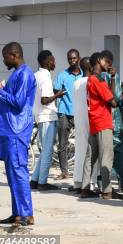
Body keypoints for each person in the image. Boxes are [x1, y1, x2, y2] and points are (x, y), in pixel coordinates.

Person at [0, 42, 37, 226]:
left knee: (18, 172)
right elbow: (12, 97)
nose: (3, 60)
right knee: (11, 174)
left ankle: (26, 214)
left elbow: (19, 102)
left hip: (17, 131)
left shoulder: (25, 73)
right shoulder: (17, 74)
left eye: (5, 56)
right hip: (10, 130)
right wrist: (0, 87)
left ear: (13, 55)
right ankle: (17, 213)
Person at [80, 52, 123, 200]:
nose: (109, 64)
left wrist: (112, 78)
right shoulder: (97, 80)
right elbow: (112, 101)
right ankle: (107, 190)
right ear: (99, 61)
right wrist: (118, 99)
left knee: (91, 156)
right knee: (107, 156)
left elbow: (108, 95)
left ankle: (85, 188)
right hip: (103, 122)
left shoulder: (94, 79)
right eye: (107, 61)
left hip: (94, 121)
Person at [31, 50, 65, 190]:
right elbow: (44, 100)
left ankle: (34, 180)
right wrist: (58, 95)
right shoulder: (45, 77)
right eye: (52, 60)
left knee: (45, 150)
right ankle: (42, 182)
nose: (54, 63)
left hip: (40, 116)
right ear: (46, 61)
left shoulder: (36, 75)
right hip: (47, 116)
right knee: (47, 151)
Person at [100, 50, 123, 190]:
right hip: (114, 119)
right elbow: (115, 98)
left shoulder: (95, 77)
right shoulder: (112, 76)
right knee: (119, 151)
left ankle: (103, 183)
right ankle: (122, 182)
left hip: (102, 118)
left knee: (104, 152)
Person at [53, 48, 82, 180]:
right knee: (62, 144)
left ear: (79, 58)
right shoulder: (62, 75)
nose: (72, 60)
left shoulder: (84, 74)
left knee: (83, 142)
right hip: (64, 112)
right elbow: (56, 91)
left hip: (79, 113)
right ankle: (64, 171)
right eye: (70, 58)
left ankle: (82, 170)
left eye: (74, 58)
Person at [72, 57, 94, 192]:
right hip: (89, 117)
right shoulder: (90, 81)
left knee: (79, 148)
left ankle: (78, 181)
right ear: (91, 67)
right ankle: (90, 182)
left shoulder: (76, 82)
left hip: (78, 118)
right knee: (90, 150)